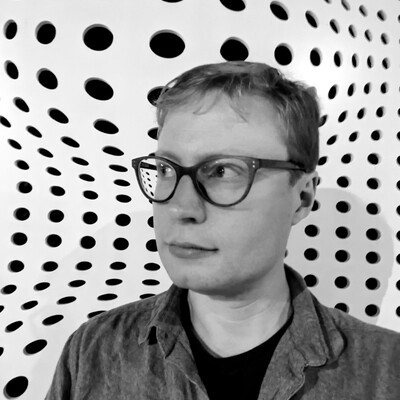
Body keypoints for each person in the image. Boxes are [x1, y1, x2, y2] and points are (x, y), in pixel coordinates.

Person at [46, 61, 400, 400]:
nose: (181, 207)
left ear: (302, 197)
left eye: (223, 171)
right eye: (166, 169)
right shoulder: (94, 353)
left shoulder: (388, 370)